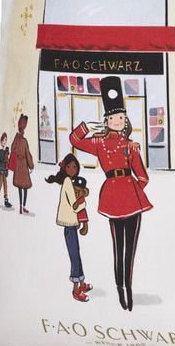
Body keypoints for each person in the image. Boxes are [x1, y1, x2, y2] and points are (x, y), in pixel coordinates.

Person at [70, 76, 152, 311]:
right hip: (112, 200)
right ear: (107, 120)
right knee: (118, 247)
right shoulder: (99, 143)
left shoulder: (131, 146)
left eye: (122, 117)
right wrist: (86, 127)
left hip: (132, 200)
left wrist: (133, 191)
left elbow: (143, 176)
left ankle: (129, 287)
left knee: (130, 249)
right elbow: (74, 139)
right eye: (114, 118)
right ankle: (119, 288)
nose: (119, 120)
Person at [45, 154, 93, 302]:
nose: (72, 169)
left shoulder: (69, 182)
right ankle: (75, 289)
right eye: (69, 167)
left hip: (71, 224)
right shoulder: (67, 182)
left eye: (74, 167)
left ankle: (82, 283)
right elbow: (75, 206)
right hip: (69, 224)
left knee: (76, 254)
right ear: (64, 168)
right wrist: (84, 202)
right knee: (74, 256)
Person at [8, 113, 34, 213]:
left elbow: (12, 148)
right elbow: (27, 154)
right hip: (23, 166)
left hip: (18, 166)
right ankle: (23, 206)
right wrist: (31, 165)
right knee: (25, 187)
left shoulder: (16, 139)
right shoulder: (24, 141)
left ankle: (20, 206)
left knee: (20, 187)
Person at [0, 132, 13, 209]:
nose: (5, 142)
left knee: (5, 185)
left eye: (6, 140)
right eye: (4, 140)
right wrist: (5, 152)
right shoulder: (1, 151)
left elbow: (8, 159)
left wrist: (7, 153)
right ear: (1, 141)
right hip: (1, 170)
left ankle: (6, 200)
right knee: (0, 184)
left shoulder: (6, 150)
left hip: (5, 170)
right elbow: (2, 159)